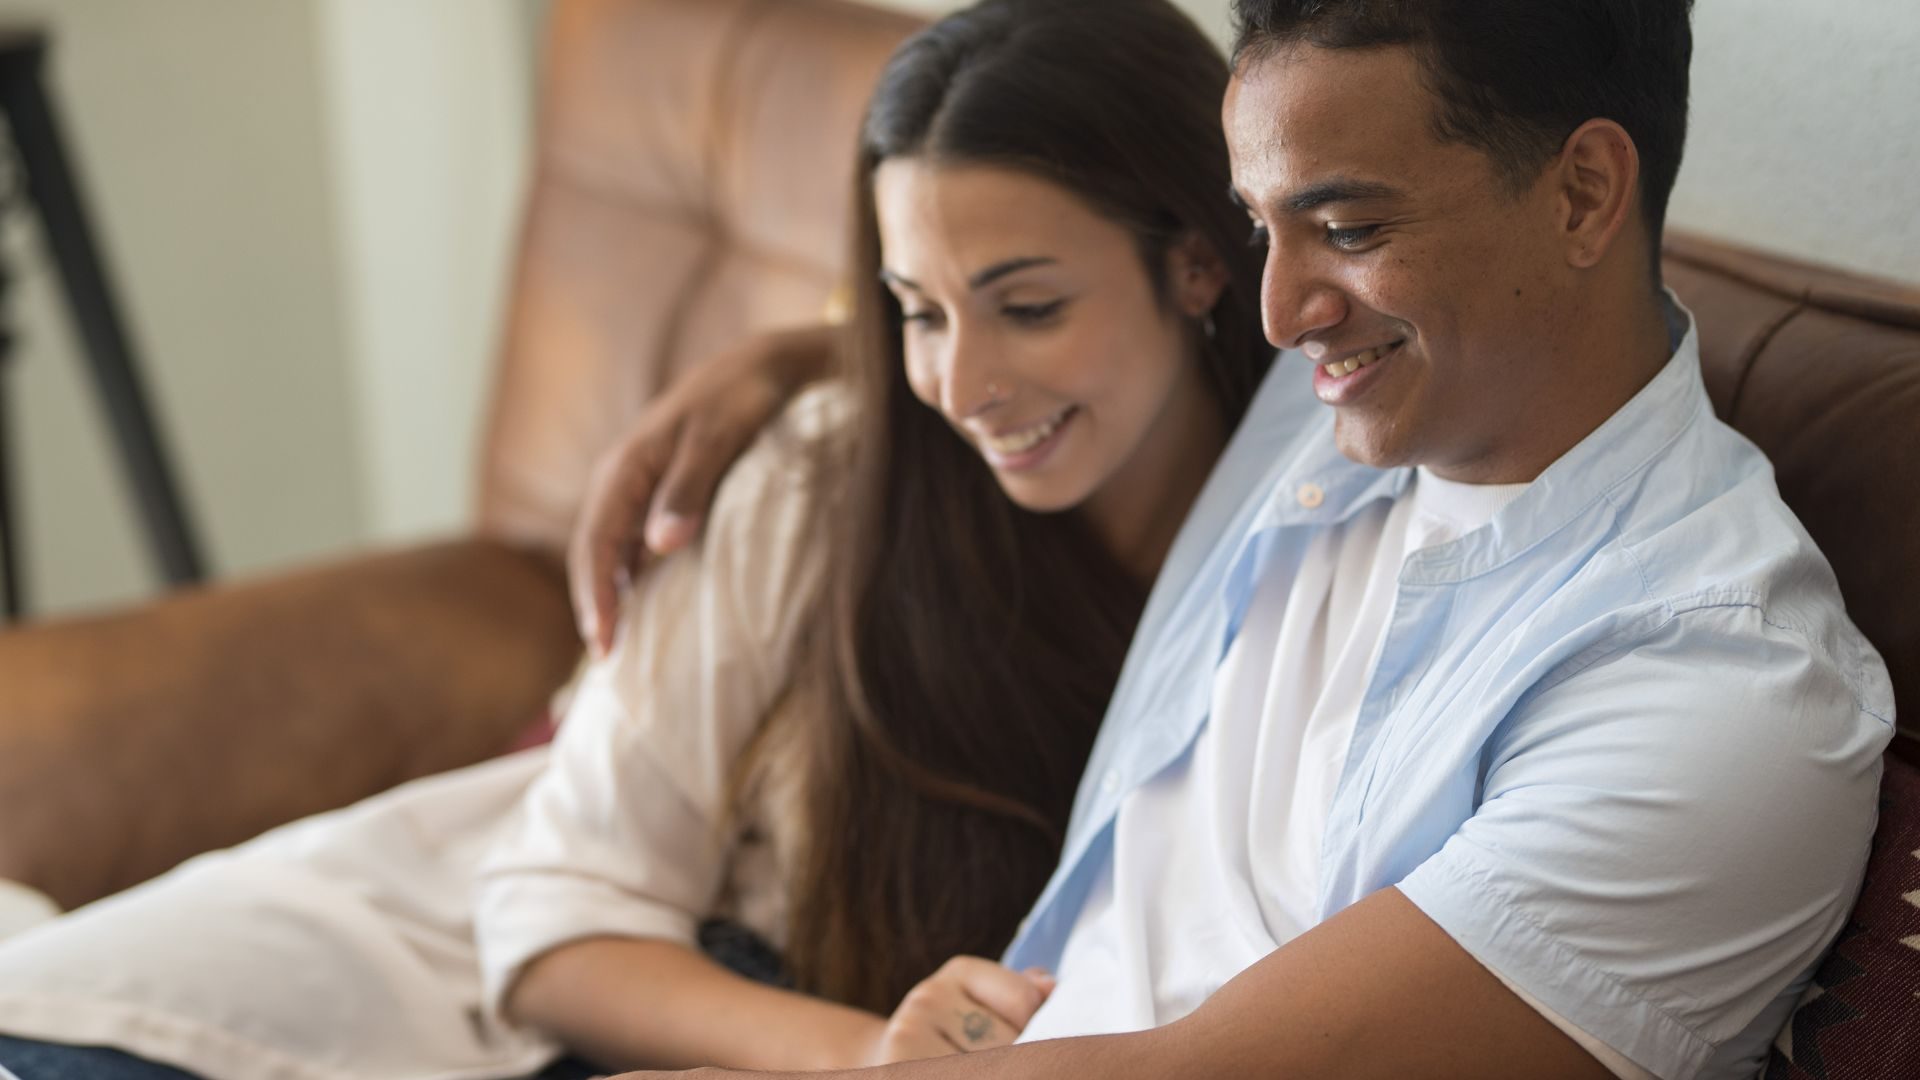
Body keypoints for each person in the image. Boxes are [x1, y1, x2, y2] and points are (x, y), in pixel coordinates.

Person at [587, 2, 1895, 1078]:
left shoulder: (1718, 693)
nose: (1274, 314)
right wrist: (808, 365)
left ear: (1584, 194)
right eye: (1258, 226)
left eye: (1347, 227)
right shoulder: (1365, 386)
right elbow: (1032, 331)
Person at [0, 2, 1276, 1078]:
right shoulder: (818, 477)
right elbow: (560, 921)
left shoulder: (1320, 510)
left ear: (1200, 265)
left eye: (1030, 307)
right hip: (286, 1018)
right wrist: (880, 1060)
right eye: (914, 312)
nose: (964, 382)